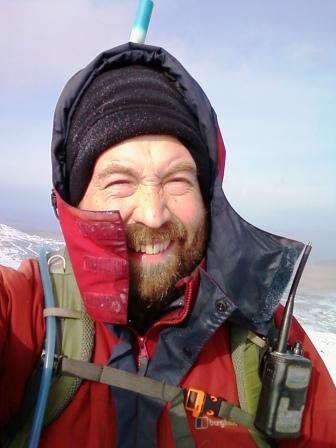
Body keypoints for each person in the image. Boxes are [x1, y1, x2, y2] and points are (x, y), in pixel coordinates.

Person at [1, 42, 335, 448]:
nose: (154, 213)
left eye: (178, 180)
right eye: (120, 182)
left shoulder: (265, 339)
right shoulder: (27, 311)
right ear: (73, 203)